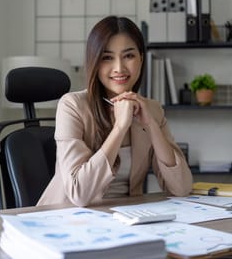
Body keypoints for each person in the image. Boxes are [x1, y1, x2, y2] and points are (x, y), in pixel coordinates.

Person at [37, 16, 192, 207]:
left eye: (128, 56)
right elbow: (79, 194)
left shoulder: (152, 110)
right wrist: (119, 128)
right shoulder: (72, 106)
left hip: (124, 218)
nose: (119, 68)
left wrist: (151, 125)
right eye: (107, 57)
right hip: (67, 219)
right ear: (95, 62)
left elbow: (181, 188)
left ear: (141, 59)